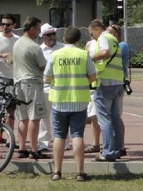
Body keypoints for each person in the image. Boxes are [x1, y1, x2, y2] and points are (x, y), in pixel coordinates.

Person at [44, 26, 97, 182]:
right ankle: (80, 172)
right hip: (79, 101)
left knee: (59, 136)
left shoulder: (55, 55)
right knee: (77, 136)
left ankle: (57, 171)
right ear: (78, 40)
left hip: (59, 100)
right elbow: (93, 77)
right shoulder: (83, 54)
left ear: (64, 39)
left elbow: (46, 78)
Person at [88, 19, 124, 162]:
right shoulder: (113, 39)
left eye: (92, 34)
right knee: (115, 118)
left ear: (97, 29)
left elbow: (105, 53)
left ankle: (108, 152)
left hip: (104, 82)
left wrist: (89, 58)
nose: (92, 37)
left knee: (104, 118)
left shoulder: (103, 37)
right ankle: (117, 149)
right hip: (117, 81)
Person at [12, 16, 48, 159]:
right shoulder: (34, 47)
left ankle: (22, 148)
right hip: (32, 83)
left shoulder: (17, 43)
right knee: (35, 117)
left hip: (18, 82)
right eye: (38, 29)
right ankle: (34, 149)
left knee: (23, 117)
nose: (39, 32)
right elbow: (43, 66)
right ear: (31, 28)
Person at [0, 15, 19, 133]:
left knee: (11, 108)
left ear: (13, 25)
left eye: (8, 24)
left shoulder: (17, 39)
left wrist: (14, 60)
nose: (5, 27)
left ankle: (8, 136)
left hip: (12, 77)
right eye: (3, 24)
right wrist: (1, 56)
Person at [38, 23, 63, 151]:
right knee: (44, 116)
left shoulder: (63, 48)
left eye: (53, 34)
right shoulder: (39, 50)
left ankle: (65, 141)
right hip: (45, 87)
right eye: (48, 35)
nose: (52, 37)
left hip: (61, 88)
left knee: (62, 115)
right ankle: (44, 142)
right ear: (42, 36)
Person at [108, 24, 129, 156]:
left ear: (117, 34)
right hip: (112, 83)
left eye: (110, 34)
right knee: (112, 116)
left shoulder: (122, 46)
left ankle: (120, 145)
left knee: (116, 116)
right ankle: (116, 144)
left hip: (118, 83)